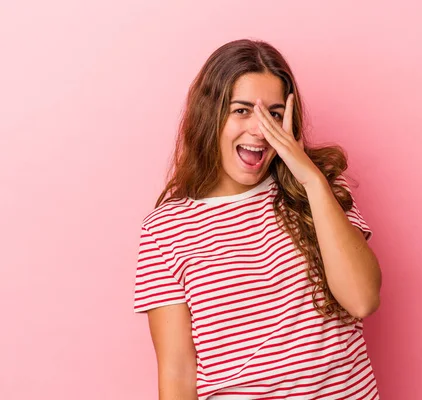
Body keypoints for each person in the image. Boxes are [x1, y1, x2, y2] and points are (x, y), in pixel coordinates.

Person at [133, 38, 382, 400]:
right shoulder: (164, 231)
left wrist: (310, 179)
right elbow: (177, 372)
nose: (259, 129)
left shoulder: (320, 186)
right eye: (242, 110)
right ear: (210, 115)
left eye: (274, 114)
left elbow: (362, 299)